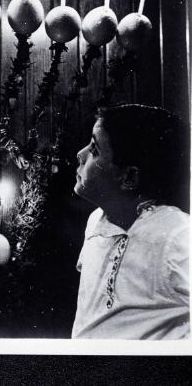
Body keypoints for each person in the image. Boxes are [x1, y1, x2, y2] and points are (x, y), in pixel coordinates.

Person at [72, 104, 190, 340]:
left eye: (94, 150)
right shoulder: (95, 221)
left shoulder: (179, 236)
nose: (80, 154)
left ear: (129, 178)